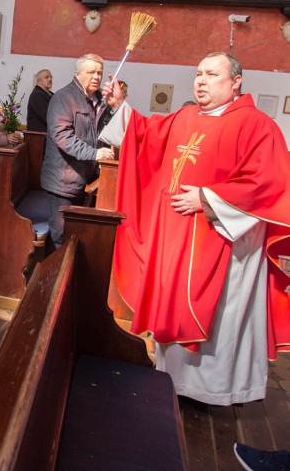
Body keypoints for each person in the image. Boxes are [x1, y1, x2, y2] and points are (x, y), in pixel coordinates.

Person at [99, 52, 290, 406]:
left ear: (235, 82)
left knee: (221, 319)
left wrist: (207, 198)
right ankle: (174, 383)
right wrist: (121, 104)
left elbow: (270, 184)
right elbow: (145, 136)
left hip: (223, 243)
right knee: (172, 308)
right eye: (198, 73)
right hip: (176, 240)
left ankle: (213, 393)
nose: (200, 80)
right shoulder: (185, 117)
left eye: (211, 74)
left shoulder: (258, 126)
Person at [41, 53, 114, 249]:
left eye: (99, 73)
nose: (96, 77)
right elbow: (63, 136)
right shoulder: (63, 98)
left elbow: (105, 131)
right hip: (63, 180)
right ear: (77, 73)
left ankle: (65, 276)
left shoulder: (99, 100)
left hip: (85, 178)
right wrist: (94, 154)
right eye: (91, 72)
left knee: (73, 234)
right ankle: (51, 278)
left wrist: (113, 105)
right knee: (60, 236)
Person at [26, 68, 54, 133]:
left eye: (51, 77)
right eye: (46, 77)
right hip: (39, 137)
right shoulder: (37, 95)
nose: (50, 79)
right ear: (39, 81)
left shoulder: (51, 94)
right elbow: (47, 117)